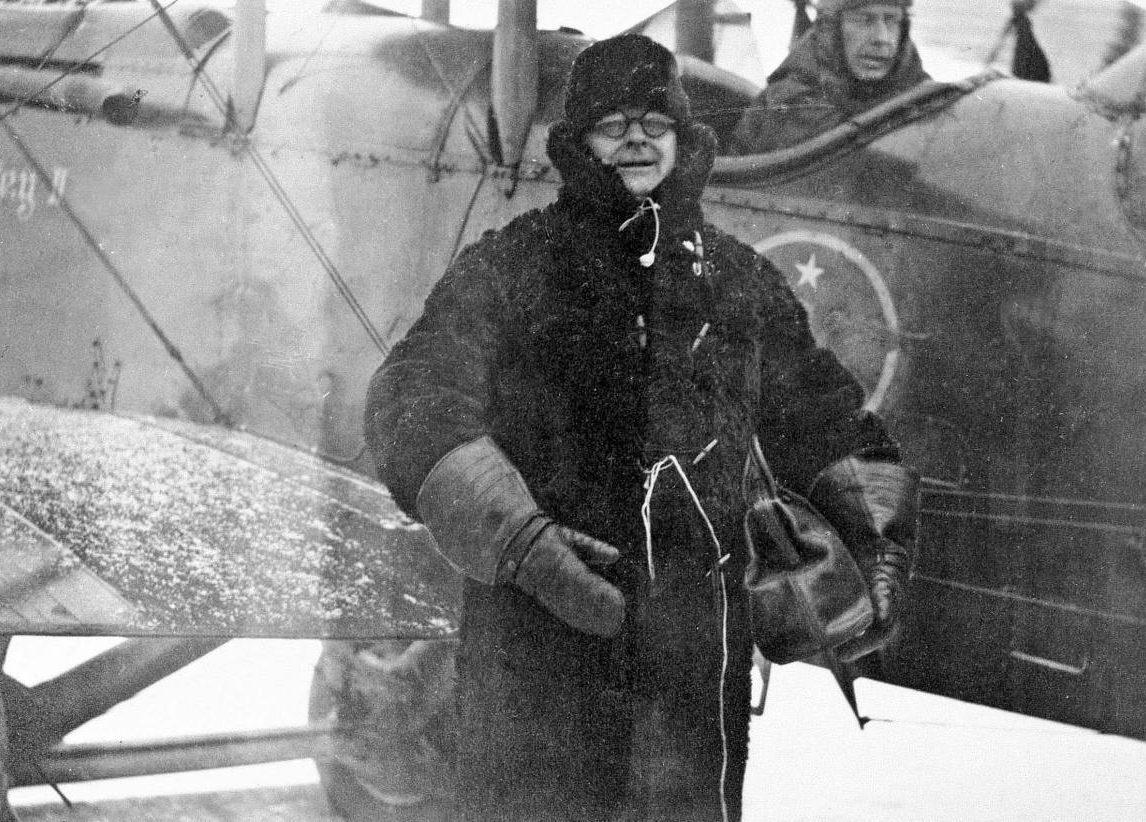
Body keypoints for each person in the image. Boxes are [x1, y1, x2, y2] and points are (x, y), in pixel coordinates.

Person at [364, 33, 917, 822]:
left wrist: (880, 546)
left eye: (654, 124)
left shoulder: (737, 280)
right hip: (536, 663)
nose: (635, 140)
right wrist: (521, 543)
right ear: (578, 142)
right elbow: (409, 398)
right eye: (612, 123)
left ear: (683, 141)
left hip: (690, 680)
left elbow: (830, 422)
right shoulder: (514, 265)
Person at [727, 0, 931, 153]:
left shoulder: (930, 101)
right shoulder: (781, 107)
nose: (882, 38)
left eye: (891, 20)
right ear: (830, 29)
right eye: (864, 20)